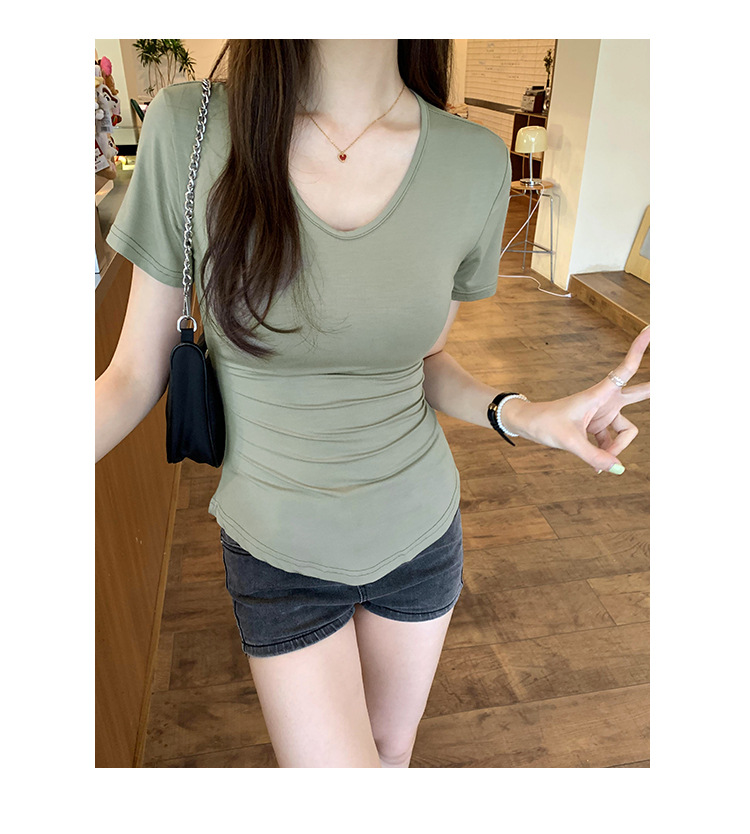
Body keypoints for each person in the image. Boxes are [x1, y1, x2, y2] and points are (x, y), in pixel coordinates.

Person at [95, 39, 650, 768]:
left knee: (391, 751)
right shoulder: (190, 127)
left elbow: (422, 362)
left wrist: (522, 412)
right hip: (277, 545)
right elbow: (131, 377)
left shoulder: (473, 161)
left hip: (420, 530)